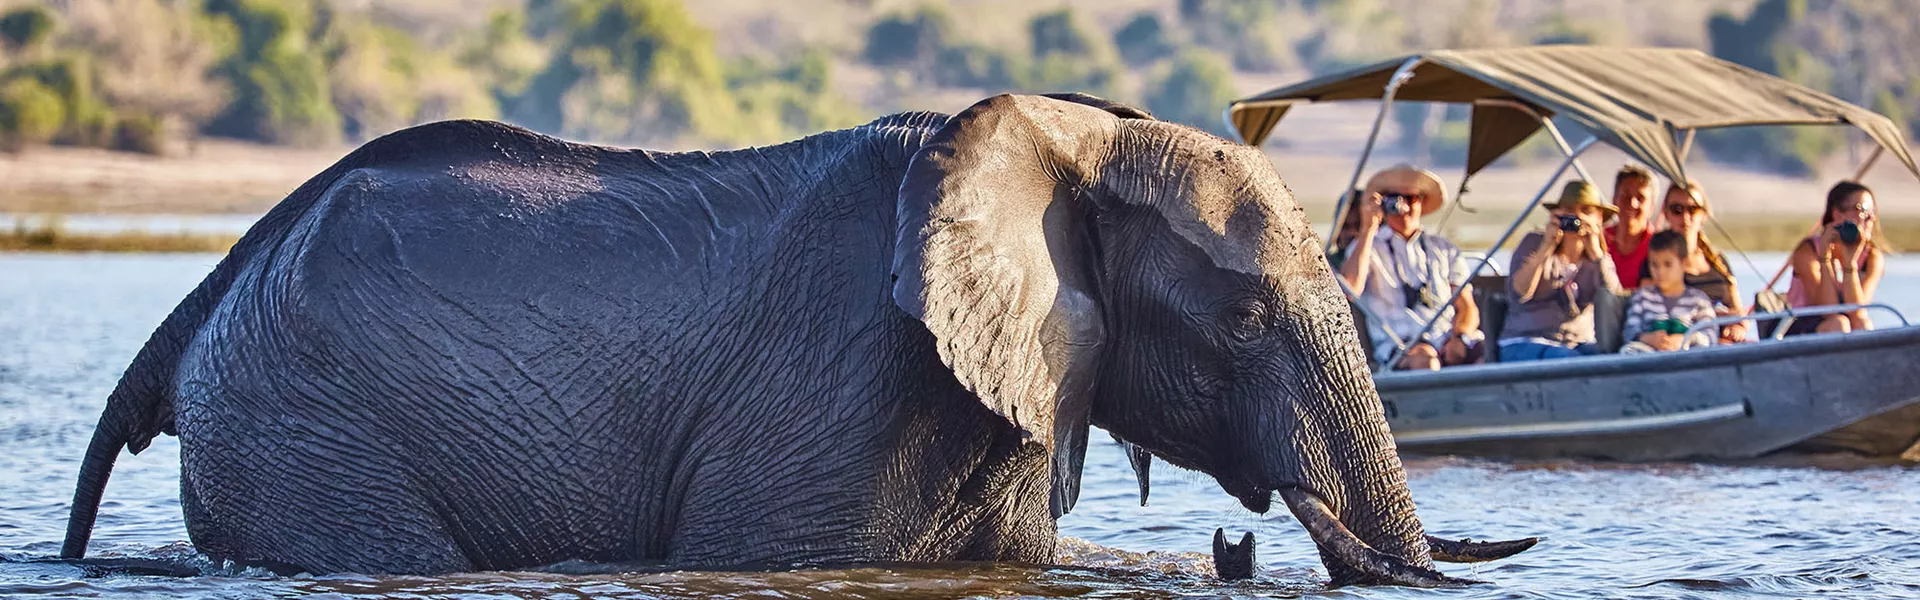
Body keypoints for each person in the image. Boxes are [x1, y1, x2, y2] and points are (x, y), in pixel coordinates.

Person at [1338, 166, 1483, 370]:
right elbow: (1349, 290)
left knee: (1487, 353)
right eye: (1394, 198)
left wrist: (1460, 337)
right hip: (1399, 345)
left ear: (1422, 202)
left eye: (1410, 198)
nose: (1402, 205)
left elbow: (1467, 306)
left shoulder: (1444, 249)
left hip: (1445, 338)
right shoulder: (1367, 247)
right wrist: (1368, 228)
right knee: (1426, 360)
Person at [1500, 180, 1623, 361]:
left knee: (1612, 360)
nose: (1577, 217)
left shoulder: (1599, 258)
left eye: (1586, 211)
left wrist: (1597, 254)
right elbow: (1519, 292)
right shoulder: (1533, 242)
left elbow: (1615, 300)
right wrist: (1546, 247)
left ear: (1599, 219)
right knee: (1568, 360)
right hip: (1526, 341)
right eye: (1570, 211)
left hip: (1578, 342)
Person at [1647, 182, 1748, 342]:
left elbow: (1739, 313)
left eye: (1693, 209)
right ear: (1666, 213)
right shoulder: (1656, 261)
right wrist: (1717, 315)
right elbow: (1652, 311)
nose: (1685, 217)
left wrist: (1737, 327)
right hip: (1682, 341)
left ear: (1704, 215)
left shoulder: (1718, 261)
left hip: (1724, 341)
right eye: (1677, 210)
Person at [1785, 181, 1885, 334]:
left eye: (1873, 211)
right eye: (1863, 209)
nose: (1870, 217)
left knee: (1862, 322)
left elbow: (1856, 311)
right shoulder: (1808, 251)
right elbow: (1828, 310)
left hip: (1844, 322)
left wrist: (1850, 262)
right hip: (1803, 323)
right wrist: (1824, 258)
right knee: (1839, 323)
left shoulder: (1872, 257)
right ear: (1838, 214)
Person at [1620, 231, 1718, 353]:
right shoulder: (1642, 297)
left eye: (1668, 264)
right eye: (1654, 265)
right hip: (1649, 355)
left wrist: (1685, 339)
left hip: (1687, 355)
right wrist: (1648, 338)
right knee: (1629, 350)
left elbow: (1710, 333)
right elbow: (1629, 332)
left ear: (1684, 263)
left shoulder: (1698, 300)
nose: (1660, 271)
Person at [1606, 165, 1656, 288]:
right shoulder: (1599, 239)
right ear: (1614, 200)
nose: (1633, 204)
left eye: (1640, 198)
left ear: (1651, 207)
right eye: (1626, 196)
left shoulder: (1660, 246)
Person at [1326, 189, 1366, 270]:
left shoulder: (1383, 264)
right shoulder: (1328, 266)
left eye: (1358, 226)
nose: (1352, 233)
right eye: (1345, 226)